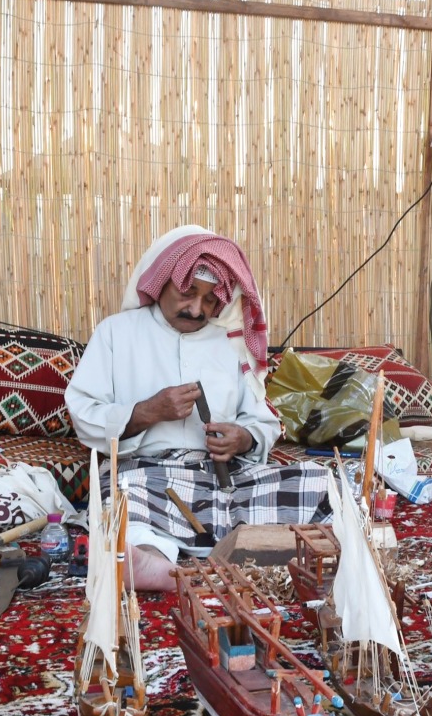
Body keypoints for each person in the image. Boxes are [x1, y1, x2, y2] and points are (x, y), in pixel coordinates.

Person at [65, 225, 331, 590]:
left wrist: (243, 439)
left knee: (320, 483)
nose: (197, 309)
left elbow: (263, 422)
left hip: (223, 479)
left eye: (209, 300)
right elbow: (82, 413)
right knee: (126, 496)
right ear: (161, 284)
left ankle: (271, 550)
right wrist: (148, 411)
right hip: (148, 474)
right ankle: (152, 562)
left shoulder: (229, 344)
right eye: (188, 293)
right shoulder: (117, 333)